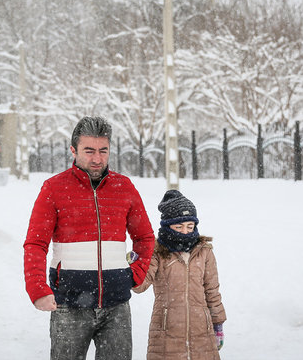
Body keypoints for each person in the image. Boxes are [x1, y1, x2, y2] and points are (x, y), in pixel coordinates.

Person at [23, 116, 155, 360]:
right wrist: (38, 288)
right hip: (69, 306)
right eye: (89, 151)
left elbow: (145, 238)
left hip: (117, 307)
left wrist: (136, 273)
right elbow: (35, 243)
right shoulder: (54, 188)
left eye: (103, 151)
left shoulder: (124, 187)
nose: (97, 159)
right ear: (73, 150)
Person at [134, 190, 227, 360]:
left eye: (189, 226)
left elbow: (212, 290)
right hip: (166, 332)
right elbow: (140, 285)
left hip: (202, 331)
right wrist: (135, 262)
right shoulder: (156, 252)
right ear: (167, 225)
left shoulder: (204, 252)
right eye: (179, 226)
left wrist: (218, 323)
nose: (185, 231)